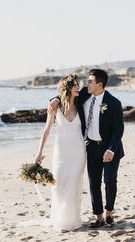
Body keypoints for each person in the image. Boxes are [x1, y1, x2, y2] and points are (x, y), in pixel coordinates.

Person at [49, 69, 124, 228]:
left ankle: (109, 213)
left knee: (110, 180)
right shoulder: (84, 95)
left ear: (99, 84)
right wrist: (55, 99)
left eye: (90, 81)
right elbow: (66, 95)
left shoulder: (114, 103)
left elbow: (119, 129)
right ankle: (99, 217)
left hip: (110, 148)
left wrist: (111, 149)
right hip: (90, 148)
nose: (85, 84)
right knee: (93, 183)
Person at [35, 74, 86, 232]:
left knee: (73, 185)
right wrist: (39, 153)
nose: (78, 87)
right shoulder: (55, 107)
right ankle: (59, 218)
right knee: (58, 186)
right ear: (67, 88)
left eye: (78, 84)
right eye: (75, 85)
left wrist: (55, 97)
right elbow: (46, 131)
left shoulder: (81, 102)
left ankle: (70, 220)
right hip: (61, 152)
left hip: (78, 151)